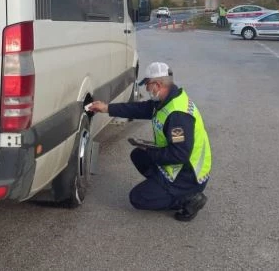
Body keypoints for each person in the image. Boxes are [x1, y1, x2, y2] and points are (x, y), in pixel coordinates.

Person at [87, 62, 212, 221]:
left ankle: (188, 199)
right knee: (138, 155)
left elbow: (179, 154)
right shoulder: (165, 100)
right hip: (178, 166)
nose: (146, 89)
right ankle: (161, 186)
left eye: (147, 84)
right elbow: (139, 109)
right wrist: (107, 108)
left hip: (188, 176)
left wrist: (152, 152)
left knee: (138, 198)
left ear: (158, 84)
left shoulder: (178, 115)